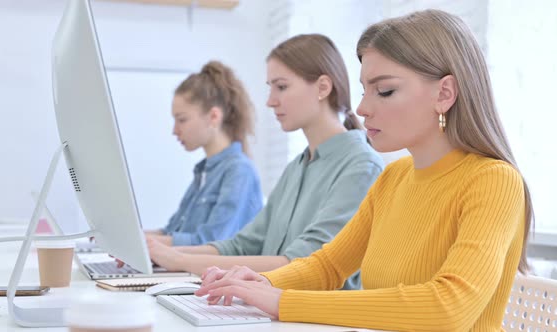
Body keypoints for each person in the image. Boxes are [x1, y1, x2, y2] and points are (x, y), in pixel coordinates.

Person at [196, 10, 533, 332]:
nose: (361, 108)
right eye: (364, 90)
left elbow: (448, 307)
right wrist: (262, 282)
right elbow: (328, 265)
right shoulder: (394, 177)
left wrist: (283, 301)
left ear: (444, 93)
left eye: (384, 91)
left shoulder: (493, 181)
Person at [144, 34, 384, 290]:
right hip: (272, 309)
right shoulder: (297, 167)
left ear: (323, 88)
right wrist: (160, 253)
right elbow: (241, 245)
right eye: (270, 87)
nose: (270, 100)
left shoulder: (361, 167)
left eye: (281, 87)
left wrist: (178, 259)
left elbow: (305, 263)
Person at [143, 61, 263, 246]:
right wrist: (134, 239)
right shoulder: (204, 172)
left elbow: (211, 243)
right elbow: (172, 232)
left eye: (182, 120)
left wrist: (148, 243)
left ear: (214, 116)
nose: (175, 130)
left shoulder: (239, 171)